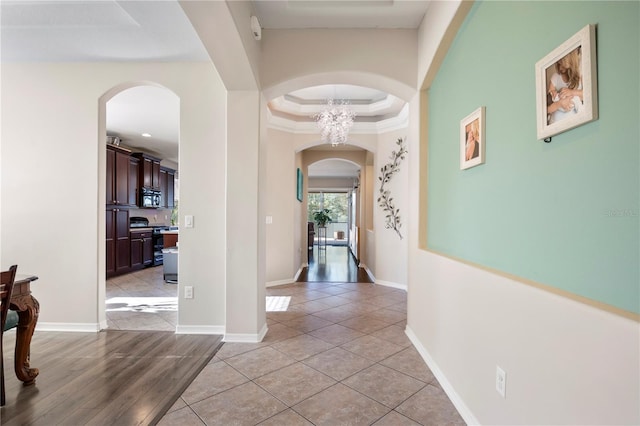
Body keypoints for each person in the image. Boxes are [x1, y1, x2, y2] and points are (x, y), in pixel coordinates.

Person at [547, 47, 583, 124]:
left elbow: (588, 95)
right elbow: (547, 107)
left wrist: (572, 92)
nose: (560, 68)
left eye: (562, 65)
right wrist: (559, 103)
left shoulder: (581, 75)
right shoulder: (555, 77)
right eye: (558, 64)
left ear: (570, 62)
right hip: (556, 122)